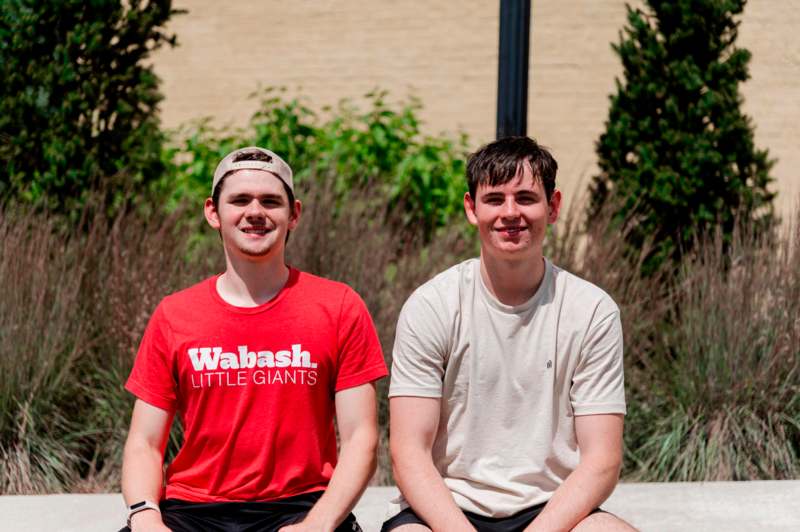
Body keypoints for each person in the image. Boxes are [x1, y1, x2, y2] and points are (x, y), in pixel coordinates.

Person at [121, 147, 387, 532]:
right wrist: (145, 515)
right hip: (193, 511)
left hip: (303, 507)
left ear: (293, 213)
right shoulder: (174, 315)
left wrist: (319, 524)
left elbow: (362, 437)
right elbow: (144, 442)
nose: (255, 212)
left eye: (270, 201)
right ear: (213, 212)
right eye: (240, 200)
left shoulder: (339, 306)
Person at [383, 137, 635, 532]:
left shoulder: (591, 311)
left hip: (552, 512)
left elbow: (602, 460)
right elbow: (408, 453)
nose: (511, 212)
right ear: (472, 208)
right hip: (447, 510)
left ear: (553, 207)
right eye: (495, 199)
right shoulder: (432, 305)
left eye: (526, 198)